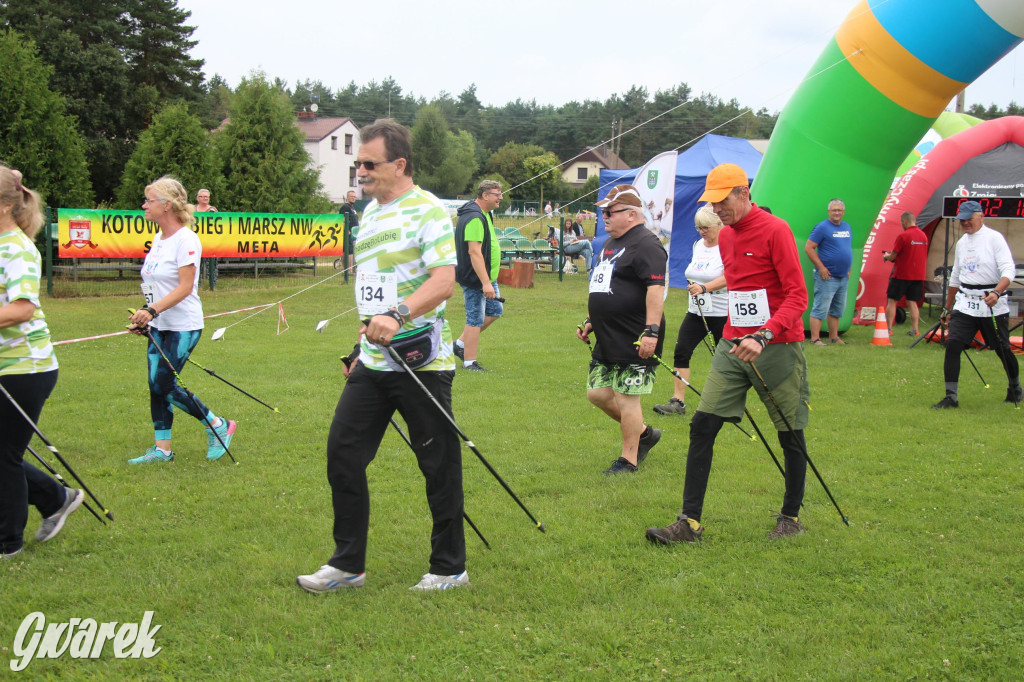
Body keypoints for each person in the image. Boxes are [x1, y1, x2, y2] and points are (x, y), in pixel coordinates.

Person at [297, 118, 468, 593]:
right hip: (374, 362)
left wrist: (397, 313)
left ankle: (450, 568)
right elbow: (371, 289)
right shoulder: (369, 214)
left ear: (399, 164)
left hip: (422, 361)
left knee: (438, 465)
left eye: (369, 164)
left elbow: (443, 281)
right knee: (343, 455)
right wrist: (361, 340)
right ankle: (348, 564)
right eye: (358, 164)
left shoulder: (428, 211)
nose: (361, 172)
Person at [646, 163, 810, 543]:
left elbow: (797, 295)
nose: (716, 210)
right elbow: (739, 286)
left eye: (722, 202)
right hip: (732, 344)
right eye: (712, 204)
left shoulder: (776, 230)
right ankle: (689, 523)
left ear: (743, 193)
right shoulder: (728, 238)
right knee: (703, 425)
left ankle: (791, 515)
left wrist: (765, 334)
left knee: (789, 432)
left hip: (778, 344)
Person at [1, 167, 83, 559]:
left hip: (25, 368)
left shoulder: (17, 248)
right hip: (6, 363)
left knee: (4, 455)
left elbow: (21, 308)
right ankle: (56, 497)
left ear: (3, 205)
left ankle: (7, 543)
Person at [127, 177, 236, 464]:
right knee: (155, 384)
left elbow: (185, 286)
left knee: (163, 383)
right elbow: (157, 287)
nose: (144, 205)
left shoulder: (186, 239)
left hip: (183, 325)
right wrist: (144, 315)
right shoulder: (159, 240)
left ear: (166, 205)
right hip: (159, 324)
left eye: (149, 200)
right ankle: (162, 450)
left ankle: (218, 425)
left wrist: (152, 311)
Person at [576, 184, 666, 475]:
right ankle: (644, 434)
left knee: (627, 397)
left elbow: (655, 290)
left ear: (631, 214)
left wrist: (651, 330)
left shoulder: (647, 244)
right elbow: (604, 285)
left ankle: (629, 460)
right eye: (603, 212)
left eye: (610, 212)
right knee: (598, 394)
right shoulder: (610, 243)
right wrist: (592, 319)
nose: (605, 217)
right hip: (607, 332)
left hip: (635, 333)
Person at [932, 200, 1020, 408]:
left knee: (1002, 349)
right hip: (966, 302)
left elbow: (1008, 270)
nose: (965, 223)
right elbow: (955, 277)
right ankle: (951, 397)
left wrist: (997, 292)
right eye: (962, 220)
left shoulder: (994, 239)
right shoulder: (962, 243)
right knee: (953, 344)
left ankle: (1015, 387)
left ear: (980, 216)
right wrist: (948, 308)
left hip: (991, 302)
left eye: (968, 219)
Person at [653, 204, 728, 416]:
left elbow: (731, 275)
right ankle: (678, 402)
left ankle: (725, 400)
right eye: (698, 227)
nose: (702, 231)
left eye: (705, 227)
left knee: (726, 358)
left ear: (719, 223)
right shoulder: (698, 245)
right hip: (696, 311)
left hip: (722, 311)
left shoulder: (728, 246)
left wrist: (705, 288)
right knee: (682, 351)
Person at [454, 180, 504, 372]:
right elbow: (474, 252)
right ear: (485, 195)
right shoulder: (474, 217)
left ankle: (459, 345)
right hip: (476, 278)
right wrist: (485, 283)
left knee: (495, 310)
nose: (500, 198)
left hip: (487, 277)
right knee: (475, 318)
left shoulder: (484, 214)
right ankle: (469, 362)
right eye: (496, 194)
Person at [804, 198, 853, 345]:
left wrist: (848, 268)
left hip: (843, 276)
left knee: (837, 309)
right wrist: (821, 267)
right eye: (834, 210)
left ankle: (834, 337)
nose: (836, 213)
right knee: (820, 308)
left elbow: (847, 249)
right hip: (827, 276)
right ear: (829, 212)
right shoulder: (822, 227)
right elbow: (809, 247)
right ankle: (815, 339)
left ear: (843, 212)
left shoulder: (847, 227)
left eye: (839, 210)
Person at [883, 211, 928, 336]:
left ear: (904, 222)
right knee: (912, 302)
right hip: (918, 275)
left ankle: (888, 328)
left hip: (901, 275)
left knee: (892, 301)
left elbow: (893, 255)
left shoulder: (903, 236)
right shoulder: (923, 236)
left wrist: (886, 256)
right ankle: (915, 329)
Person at [195, 189, 218, 290]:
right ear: (197, 198)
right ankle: (197, 284)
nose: (204, 198)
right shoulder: (192, 210)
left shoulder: (213, 210)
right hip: (196, 242)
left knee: (212, 265)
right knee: (196, 264)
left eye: (206, 197)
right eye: (202, 196)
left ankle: (212, 285)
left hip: (210, 242)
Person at [339, 190, 360, 271]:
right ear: (347, 197)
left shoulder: (352, 207)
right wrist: (346, 230)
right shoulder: (345, 207)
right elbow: (342, 219)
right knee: (349, 251)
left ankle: (347, 269)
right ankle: (349, 270)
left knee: (349, 250)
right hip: (347, 233)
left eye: (355, 197)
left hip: (353, 233)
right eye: (352, 197)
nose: (353, 198)